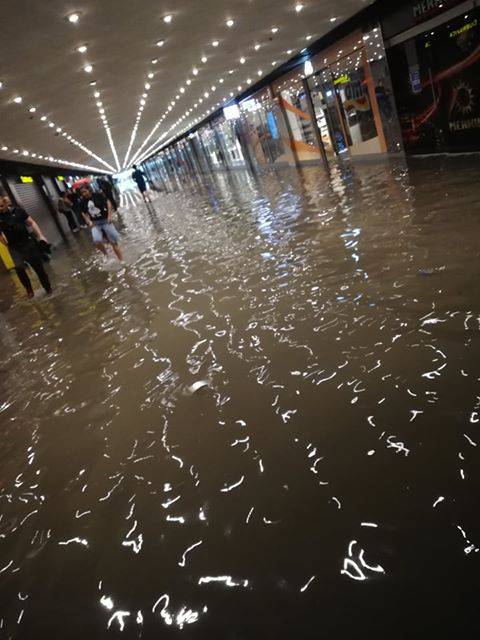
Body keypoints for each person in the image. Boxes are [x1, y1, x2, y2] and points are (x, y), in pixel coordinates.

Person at [0, 194, 52, 298]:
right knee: (19, 269)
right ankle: (29, 291)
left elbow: (31, 222)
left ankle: (48, 288)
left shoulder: (18, 211)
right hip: (14, 248)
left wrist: (40, 235)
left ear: (5, 203)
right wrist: (6, 245)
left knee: (38, 268)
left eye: (1, 206)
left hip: (28, 243)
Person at [79, 185, 123, 262]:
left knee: (114, 242)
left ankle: (122, 260)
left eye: (85, 192)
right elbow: (83, 212)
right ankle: (105, 254)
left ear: (89, 190)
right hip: (95, 223)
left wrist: (109, 215)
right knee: (96, 240)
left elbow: (108, 202)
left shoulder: (98, 195)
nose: (84, 194)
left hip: (105, 220)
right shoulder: (83, 201)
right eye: (82, 193)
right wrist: (88, 220)